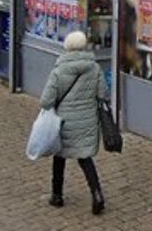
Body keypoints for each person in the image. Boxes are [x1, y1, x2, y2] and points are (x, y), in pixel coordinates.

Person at [40, 30, 107, 215]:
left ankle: (57, 195)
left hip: (64, 123)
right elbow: (103, 94)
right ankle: (97, 194)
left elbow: (46, 101)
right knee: (85, 158)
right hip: (87, 122)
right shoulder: (94, 68)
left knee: (59, 157)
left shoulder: (59, 70)